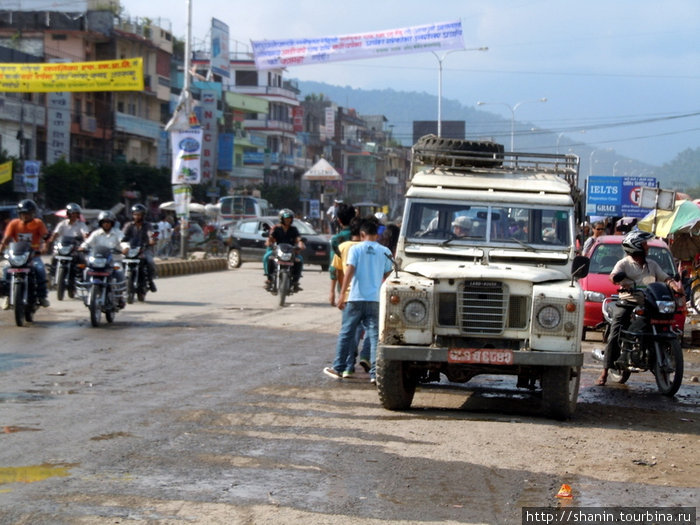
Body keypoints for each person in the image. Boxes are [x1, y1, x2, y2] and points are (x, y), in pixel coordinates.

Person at [596, 230, 681, 386]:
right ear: (636, 246)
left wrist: (674, 286)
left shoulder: (652, 265)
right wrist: (617, 279)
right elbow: (613, 276)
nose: (647, 246)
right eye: (644, 244)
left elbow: (665, 277)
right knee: (616, 330)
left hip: (649, 302)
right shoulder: (624, 263)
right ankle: (605, 370)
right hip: (628, 302)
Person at [324, 218, 393, 383]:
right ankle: (375, 374)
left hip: (355, 298)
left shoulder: (356, 249)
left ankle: (339, 367)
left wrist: (342, 295)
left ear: (362, 234)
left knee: (346, 334)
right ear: (377, 235)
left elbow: (349, 272)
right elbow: (388, 276)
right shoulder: (385, 252)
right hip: (375, 300)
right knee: (375, 336)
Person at [0, 199, 50, 307]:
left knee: (40, 270)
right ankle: (8, 297)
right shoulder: (14, 223)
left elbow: (46, 237)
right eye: (23, 213)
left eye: (28, 213)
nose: (25, 216)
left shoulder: (38, 223)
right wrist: (1, 248)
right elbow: (6, 238)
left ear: (33, 213)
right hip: (17, 256)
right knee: (5, 270)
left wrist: (45, 246)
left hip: (33, 256)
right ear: (19, 214)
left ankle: (42, 297)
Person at [81, 211, 125, 307]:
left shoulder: (118, 233)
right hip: (98, 262)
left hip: (113, 261)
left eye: (108, 222)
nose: (106, 224)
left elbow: (123, 242)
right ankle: (89, 290)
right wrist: (83, 247)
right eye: (104, 222)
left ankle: (120, 296)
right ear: (100, 223)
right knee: (86, 270)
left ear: (112, 223)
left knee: (120, 271)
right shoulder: (96, 233)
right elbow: (87, 243)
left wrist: (125, 248)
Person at [47, 202, 89, 284]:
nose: (73, 215)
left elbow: (85, 234)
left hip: (74, 248)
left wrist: (86, 241)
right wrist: (49, 242)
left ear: (78, 215)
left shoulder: (81, 224)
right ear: (68, 214)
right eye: (71, 213)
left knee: (81, 259)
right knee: (54, 257)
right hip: (63, 247)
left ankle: (80, 277)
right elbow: (55, 234)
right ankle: (52, 275)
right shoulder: (62, 224)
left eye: (75, 214)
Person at [263, 209, 305, 292]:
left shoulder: (294, 229)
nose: (288, 220)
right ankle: (269, 279)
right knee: (267, 257)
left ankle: (296, 281)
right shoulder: (277, 229)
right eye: (286, 218)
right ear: (281, 219)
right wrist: (268, 242)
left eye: (289, 218)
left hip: (290, 251)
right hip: (278, 250)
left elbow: (298, 238)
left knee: (299, 259)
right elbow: (270, 238)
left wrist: (300, 244)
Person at [120, 203, 157, 293]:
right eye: (135, 214)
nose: (137, 216)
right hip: (131, 249)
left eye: (139, 214)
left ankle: (150, 281)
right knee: (119, 262)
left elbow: (150, 233)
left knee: (150, 262)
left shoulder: (147, 225)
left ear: (143, 215)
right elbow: (122, 235)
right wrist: (120, 241)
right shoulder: (128, 225)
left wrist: (151, 239)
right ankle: (121, 282)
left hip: (144, 248)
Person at [328, 203, 356, 305]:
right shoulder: (363, 236)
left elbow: (333, 267)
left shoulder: (336, 239)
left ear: (339, 220)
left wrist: (332, 292)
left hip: (345, 285)